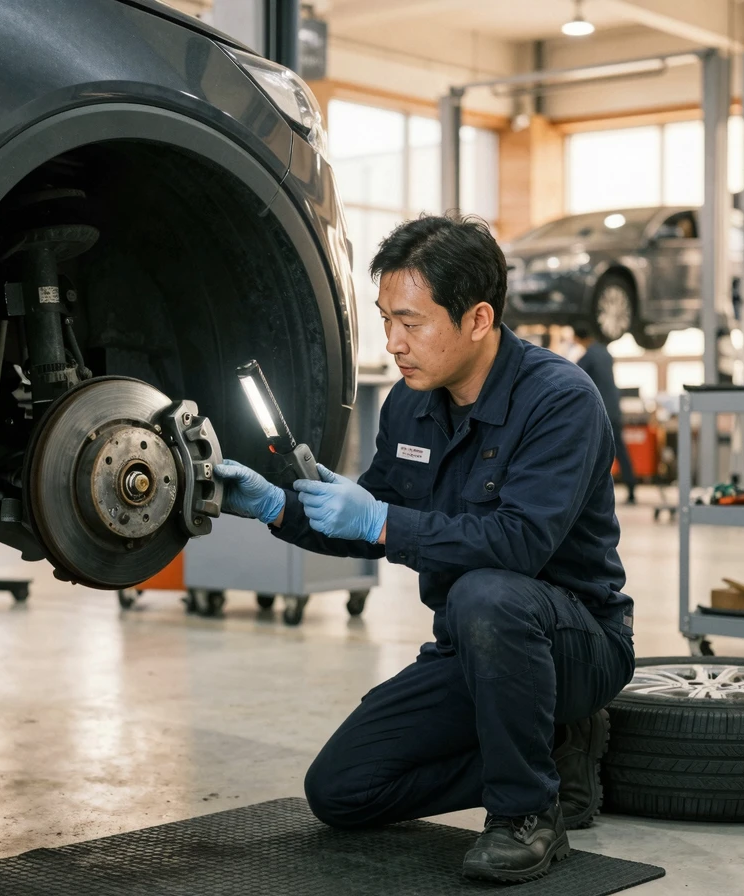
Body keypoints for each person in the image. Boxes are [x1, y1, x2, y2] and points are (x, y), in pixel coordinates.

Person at [215, 215, 635, 885]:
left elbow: (517, 544)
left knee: (486, 591)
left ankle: (527, 814)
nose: (394, 343)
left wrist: (381, 519)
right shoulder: (411, 407)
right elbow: (363, 518)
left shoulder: (560, 402)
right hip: (473, 647)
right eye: (386, 321)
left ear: (477, 319)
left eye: (411, 323)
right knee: (342, 790)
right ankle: (555, 753)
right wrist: (274, 506)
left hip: (576, 641)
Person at [571, 325, 637, 504]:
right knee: (619, 450)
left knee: (592, 451)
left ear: (577, 338)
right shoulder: (605, 352)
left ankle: (592, 496)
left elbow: (571, 375)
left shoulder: (588, 356)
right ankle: (631, 488)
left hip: (601, 411)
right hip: (614, 408)